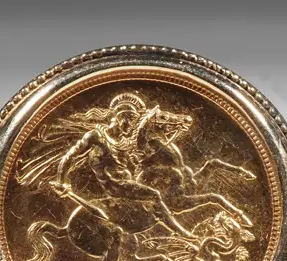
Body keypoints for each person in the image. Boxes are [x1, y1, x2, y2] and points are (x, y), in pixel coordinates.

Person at [51, 93, 196, 240]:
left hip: (128, 181)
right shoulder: (96, 136)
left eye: (135, 121)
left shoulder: (125, 141)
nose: (133, 125)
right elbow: (70, 156)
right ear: (122, 117)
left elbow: (142, 153)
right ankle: (180, 232)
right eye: (131, 119)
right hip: (115, 185)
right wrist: (60, 181)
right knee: (154, 195)